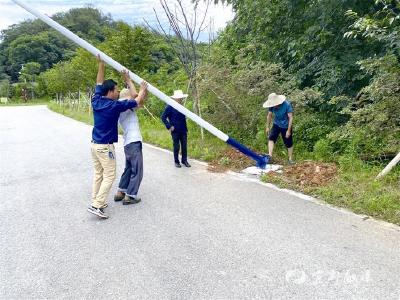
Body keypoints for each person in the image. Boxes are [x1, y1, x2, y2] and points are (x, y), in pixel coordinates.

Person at [88, 55, 148, 219]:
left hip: (94, 145)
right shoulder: (115, 106)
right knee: (109, 176)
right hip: (105, 146)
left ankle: (97, 200)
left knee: (99, 174)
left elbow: (99, 83)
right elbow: (137, 100)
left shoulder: (97, 99)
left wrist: (101, 64)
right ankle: (96, 205)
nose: (116, 92)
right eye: (115, 90)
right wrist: (142, 88)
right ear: (111, 92)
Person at [113, 81, 148, 205]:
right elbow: (139, 99)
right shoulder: (128, 106)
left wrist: (143, 91)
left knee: (128, 168)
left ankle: (120, 192)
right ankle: (130, 196)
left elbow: (140, 100)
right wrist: (142, 89)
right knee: (137, 169)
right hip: (133, 141)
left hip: (128, 143)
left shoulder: (120, 107)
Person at [161, 90, 191, 168]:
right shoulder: (169, 106)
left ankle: (184, 161)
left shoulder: (182, 106)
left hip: (183, 129)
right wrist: (169, 126)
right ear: (175, 98)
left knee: (184, 145)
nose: (180, 99)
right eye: (178, 98)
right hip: (175, 130)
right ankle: (176, 161)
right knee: (176, 146)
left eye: (181, 98)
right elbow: (163, 117)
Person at [263, 92, 294, 164]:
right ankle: (270, 156)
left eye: (274, 105)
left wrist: (288, 130)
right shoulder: (272, 106)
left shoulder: (287, 105)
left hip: (286, 126)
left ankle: (290, 159)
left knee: (288, 143)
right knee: (271, 138)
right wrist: (267, 126)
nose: (274, 106)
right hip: (276, 124)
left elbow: (291, 118)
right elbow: (269, 115)